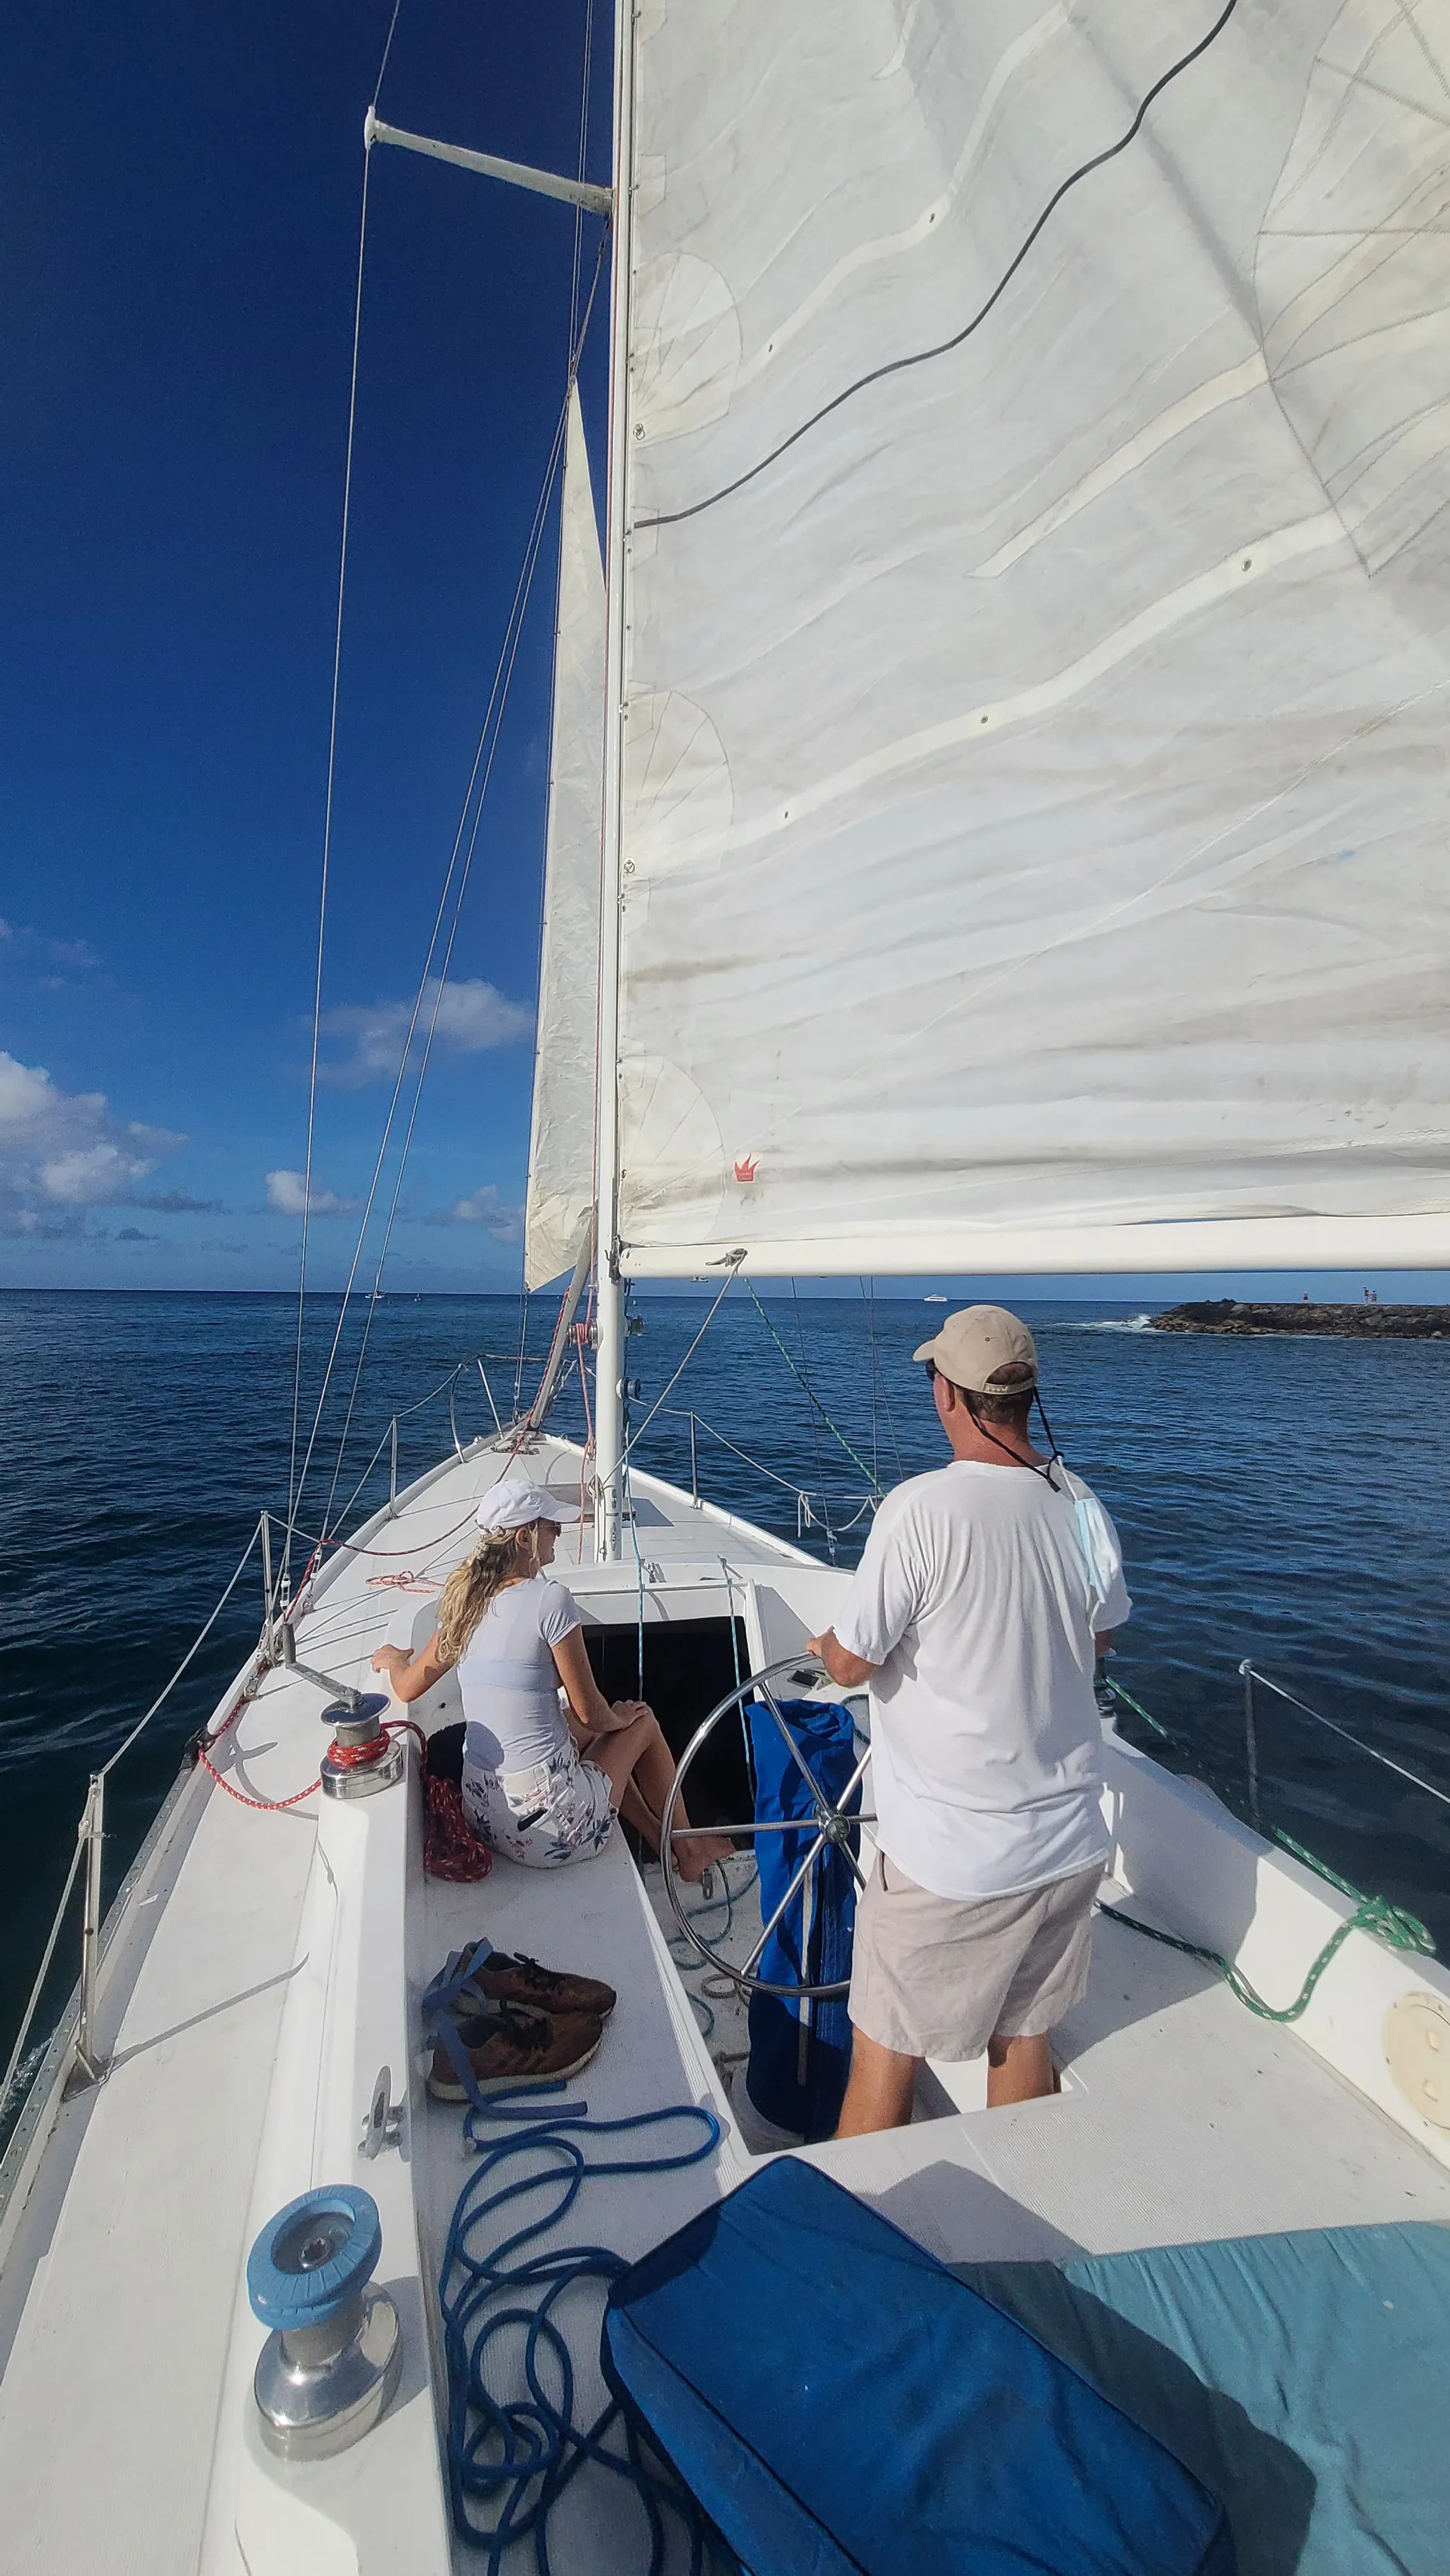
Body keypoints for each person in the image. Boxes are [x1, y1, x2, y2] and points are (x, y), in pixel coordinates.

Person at [807, 1305, 1129, 2136]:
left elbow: (849, 1663)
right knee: (1025, 2037)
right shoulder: (1083, 1502)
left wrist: (824, 1640)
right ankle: (1017, 2242)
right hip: (1067, 1845)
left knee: (884, 2053)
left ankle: (860, 2246)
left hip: (951, 1862)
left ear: (950, 1394)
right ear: (1026, 1397)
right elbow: (1099, 1629)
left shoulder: (919, 1511)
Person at [372, 1477, 733, 1879]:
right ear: (525, 1538)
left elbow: (406, 1687)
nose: (559, 1532)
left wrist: (392, 1660)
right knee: (641, 1722)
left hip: (485, 1817)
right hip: (551, 1833)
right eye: (550, 1525)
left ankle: (656, 1838)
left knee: (582, 1734)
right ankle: (689, 1847)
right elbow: (592, 1710)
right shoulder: (551, 1599)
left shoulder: (466, 1604)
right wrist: (622, 1718)